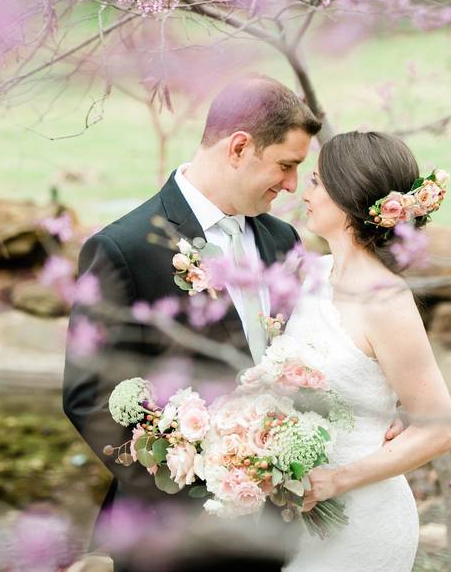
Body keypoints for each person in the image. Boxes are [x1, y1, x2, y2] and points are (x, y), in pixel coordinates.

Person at [63, 75, 321, 571]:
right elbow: (88, 396)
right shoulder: (124, 248)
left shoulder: (281, 240)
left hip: (274, 524)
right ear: (240, 147)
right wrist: (189, 496)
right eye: (286, 165)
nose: (291, 185)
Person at [283, 131, 451, 571]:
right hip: (298, 521)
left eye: (318, 182)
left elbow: (440, 429)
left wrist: (334, 481)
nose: (305, 189)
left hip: (362, 521)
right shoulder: (312, 275)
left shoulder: (386, 300)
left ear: (348, 199)